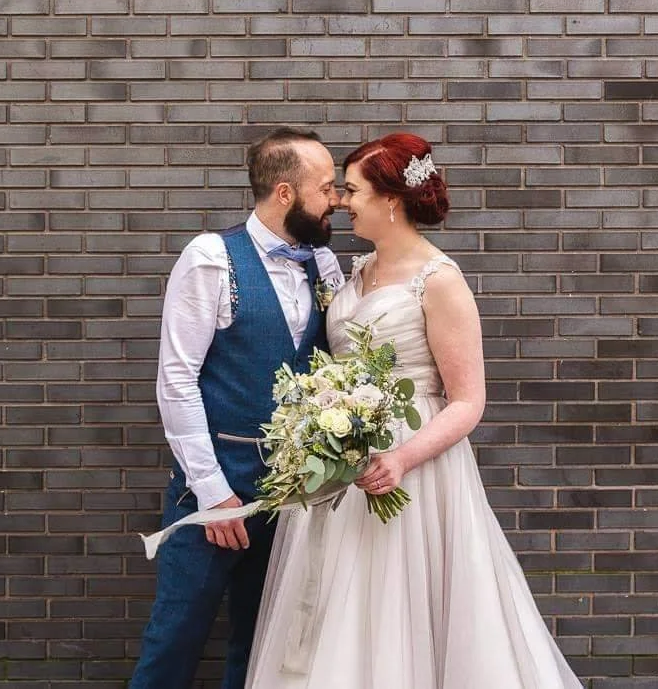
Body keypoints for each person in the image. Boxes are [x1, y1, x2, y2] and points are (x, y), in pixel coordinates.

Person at [244, 133, 584, 689]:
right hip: (346, 461)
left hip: (417, 469)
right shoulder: (351, 273)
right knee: (339, 606)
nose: (340, 201)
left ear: (391, 200)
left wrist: (401, 458)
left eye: (351, 190)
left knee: (407, 603)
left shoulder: (440, 281)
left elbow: (469, 400)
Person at [128, 128, 344, 689]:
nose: (336, 200)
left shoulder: (325, 266)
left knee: (262, 648)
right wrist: (213, 492)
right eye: (326, 188)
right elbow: (176, 380)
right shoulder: (210, 258)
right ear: (284, 194)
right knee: (174, 638)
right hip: (213, 485)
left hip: (294, 491)